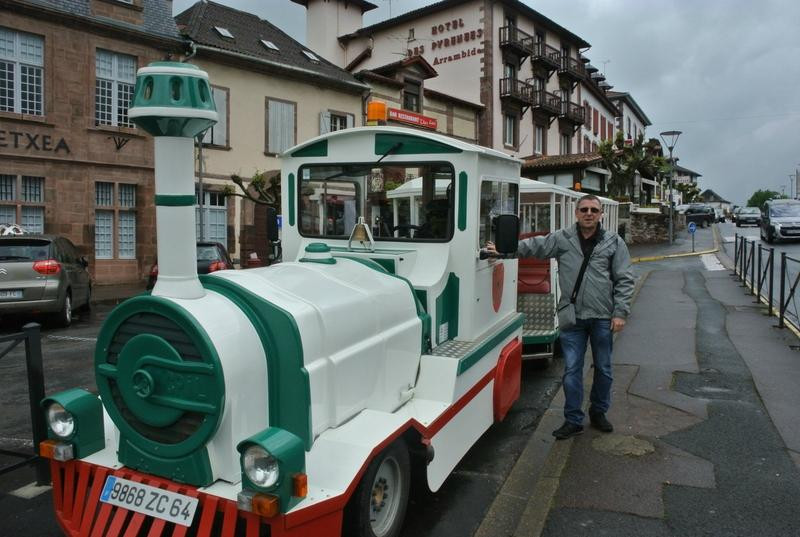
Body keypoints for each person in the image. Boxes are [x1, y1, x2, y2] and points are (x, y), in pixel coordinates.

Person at [487, 194, 635, 439]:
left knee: (604, 369)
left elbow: (625, 279)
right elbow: (535, 245)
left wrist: (620, 313)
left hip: (602, 316)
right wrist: (503, 249)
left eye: (594, 210)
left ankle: (598, 412)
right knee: (572, 370)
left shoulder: (613, 242)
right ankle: (573, 419)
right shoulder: (563, 238)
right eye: (584, 209)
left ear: (601, 214)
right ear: (577, 213)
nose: (589, 213)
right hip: (572, 316)